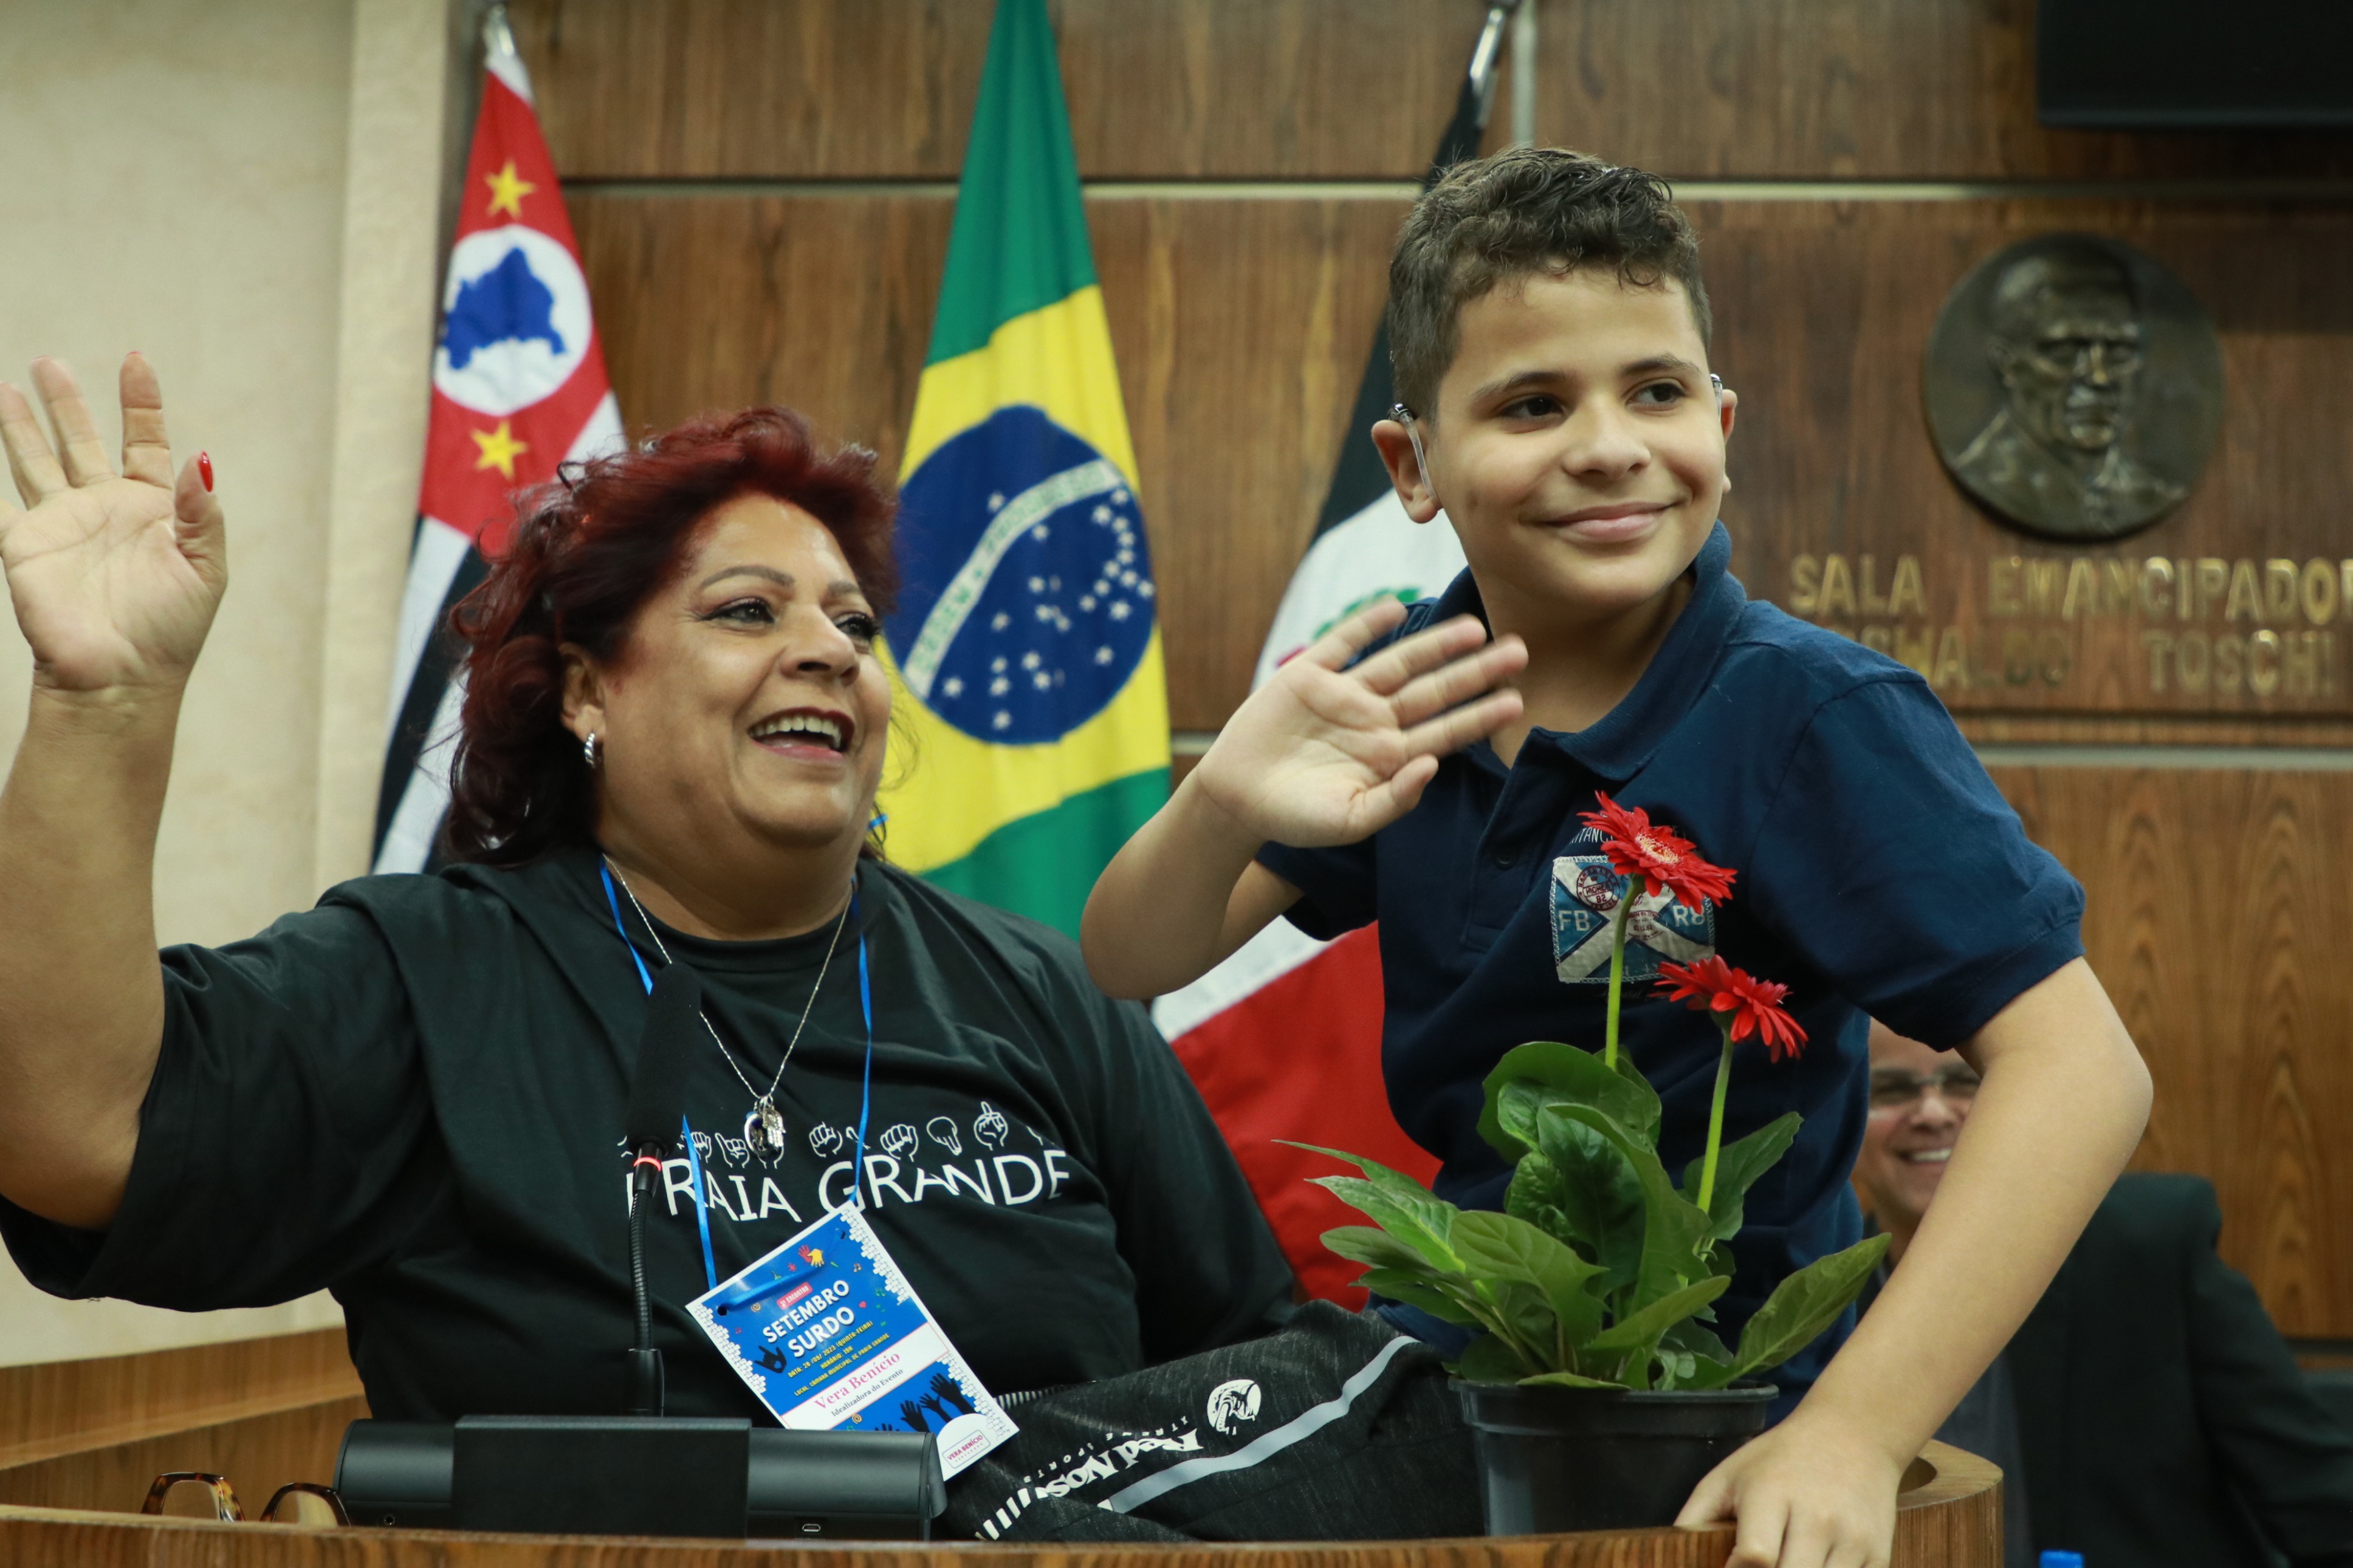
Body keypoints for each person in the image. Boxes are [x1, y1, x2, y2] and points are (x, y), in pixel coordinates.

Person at [1082, 146, 2153, 1568]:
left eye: (1655, 390)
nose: (1608, 445)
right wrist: (1221, 796)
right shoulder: (1411, 691)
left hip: (1698, 1409)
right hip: (1465, 1370)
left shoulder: (1810, 714)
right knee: (1043, 1484)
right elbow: (1130, 958)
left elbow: (2083, 1071)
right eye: (1533, 403)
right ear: (1412, 465)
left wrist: (1854, 1428)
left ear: (1721, 421)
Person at [0, 357, 1297, 1432]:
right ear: (585, 692)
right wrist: (103, 705)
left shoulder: (1041, 992)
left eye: (855, 626)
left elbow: (1259, 1381)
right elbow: (77, 1137)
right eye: (747, 611)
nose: (828, 651)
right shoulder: (429, 977)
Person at [1856, 1021, 2353, 1568]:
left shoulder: (2148, 1249)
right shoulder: (1814, 1302)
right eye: (1892, 1089)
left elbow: (2323, 1509)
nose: (1932, 1113)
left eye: (1965, 1081)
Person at [1946, 242, 2185, 539]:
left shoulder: (2150, 494)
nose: (2099, 377)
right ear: (2006, 361)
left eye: (2119, 350)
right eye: (2066, 350)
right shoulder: (1987, 478)